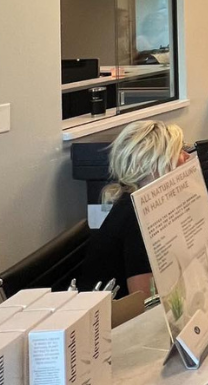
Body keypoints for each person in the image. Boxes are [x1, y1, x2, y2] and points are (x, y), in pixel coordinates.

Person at [77, 121, 189, 299]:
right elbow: (146, 300)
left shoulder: (142, 203)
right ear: (154, 165)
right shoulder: (138, 216)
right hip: (112, 320)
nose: (186, 157)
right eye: (179, 152)